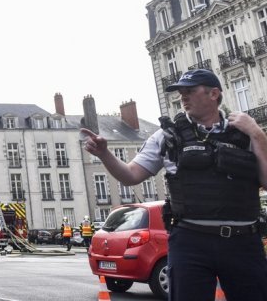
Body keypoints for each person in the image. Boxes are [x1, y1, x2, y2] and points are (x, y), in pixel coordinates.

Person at [81, 69, 267, 301]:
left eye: (190, 91)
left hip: (243, 242)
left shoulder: (245, 132)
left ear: (214, 94)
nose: (183, 97)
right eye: (181, 93)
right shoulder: (167, 136)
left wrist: (257, 134)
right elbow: (131, 175)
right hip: (190, 241)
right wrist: (104, 154)